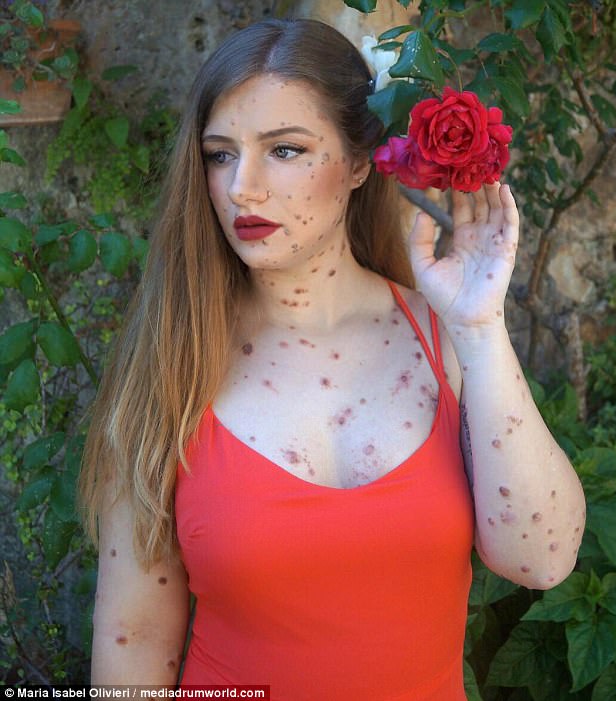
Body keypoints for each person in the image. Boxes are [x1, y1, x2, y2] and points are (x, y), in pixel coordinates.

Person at [79, 17, 586, 700]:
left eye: (285, 150)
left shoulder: (442, 338)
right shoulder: (173, 360)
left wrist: (478, 325)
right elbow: (135, 639)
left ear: (357, 163)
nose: (242, 187)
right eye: (220, 155)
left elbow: (542, 559)